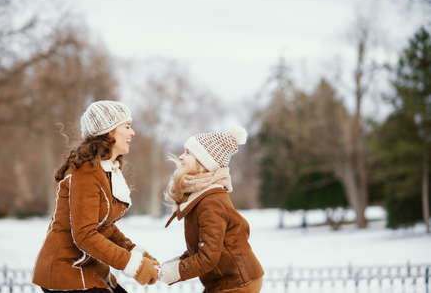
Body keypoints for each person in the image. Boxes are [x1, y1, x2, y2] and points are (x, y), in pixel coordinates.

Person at [33, 100, 159, 293]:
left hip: (88, 267)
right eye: (127, 126)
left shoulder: (105, 170)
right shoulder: (86, 170)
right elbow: (85, 235)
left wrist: (135, 252)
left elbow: (104, 226)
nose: (132, 133)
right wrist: (131, 264)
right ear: (109, 132)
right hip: (66, 270)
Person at [159, 126, 264, 292]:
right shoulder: (200, 197)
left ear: (203, 162)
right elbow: (204, 247)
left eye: (187, 153)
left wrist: (174, 272)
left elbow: (208, 257)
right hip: (223, 280)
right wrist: (169, 268)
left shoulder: (211, 202)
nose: (180, 156)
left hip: (238, 281)